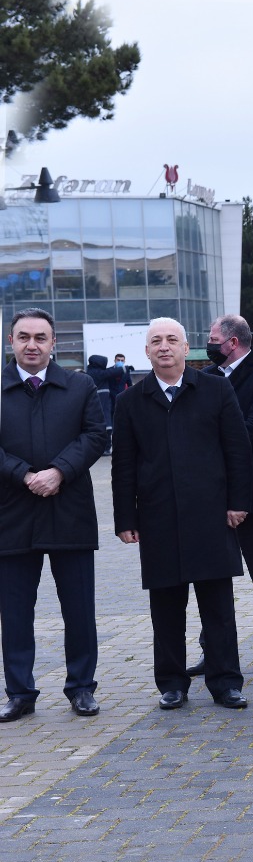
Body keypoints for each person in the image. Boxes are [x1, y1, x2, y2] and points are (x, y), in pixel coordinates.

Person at [111, 317, 252, 710]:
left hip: (211, 516)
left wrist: (239, 502)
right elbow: (123, 465)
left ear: (185, 347)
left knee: (218, 607)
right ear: (146, 350)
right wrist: (126, 519)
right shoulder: (130, 402)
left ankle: (225, 682)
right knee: (166, 608)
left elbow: (237, 451)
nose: (164, 346)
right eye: (156, 340)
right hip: (158, 519)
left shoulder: (215, 388)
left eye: (172, 339)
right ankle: (172, 683)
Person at [0, 308, 111, 722]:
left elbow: (96, 435)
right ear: (11, 342)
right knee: (14, 612)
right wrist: (22, 474)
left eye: (40, 338)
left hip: (70, 512)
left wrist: (59, 471)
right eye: (24, 337)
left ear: (53, 344)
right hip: (12, 513)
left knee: (79, 608)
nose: (32, 345)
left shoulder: (80, 385)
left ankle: (81, 688)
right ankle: (20, 692)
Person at [185, 314, 253, 677]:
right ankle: (212, 650)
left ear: (232, 342)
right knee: (212, 578)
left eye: (213, 338)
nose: (209, 343)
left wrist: (209, 445)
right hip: (214, 495)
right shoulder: (207, 379)